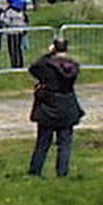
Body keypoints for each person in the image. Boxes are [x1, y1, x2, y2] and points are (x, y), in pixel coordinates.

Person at [27, 38, 84, 178]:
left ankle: (35, 171)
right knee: (65, 143)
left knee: (43, 142)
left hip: (48, 105)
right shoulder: (73, 66)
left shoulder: (46, 66)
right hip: (67, 105)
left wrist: (49, 54)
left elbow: (33, 68)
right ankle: (62, 172)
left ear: (54, 48)